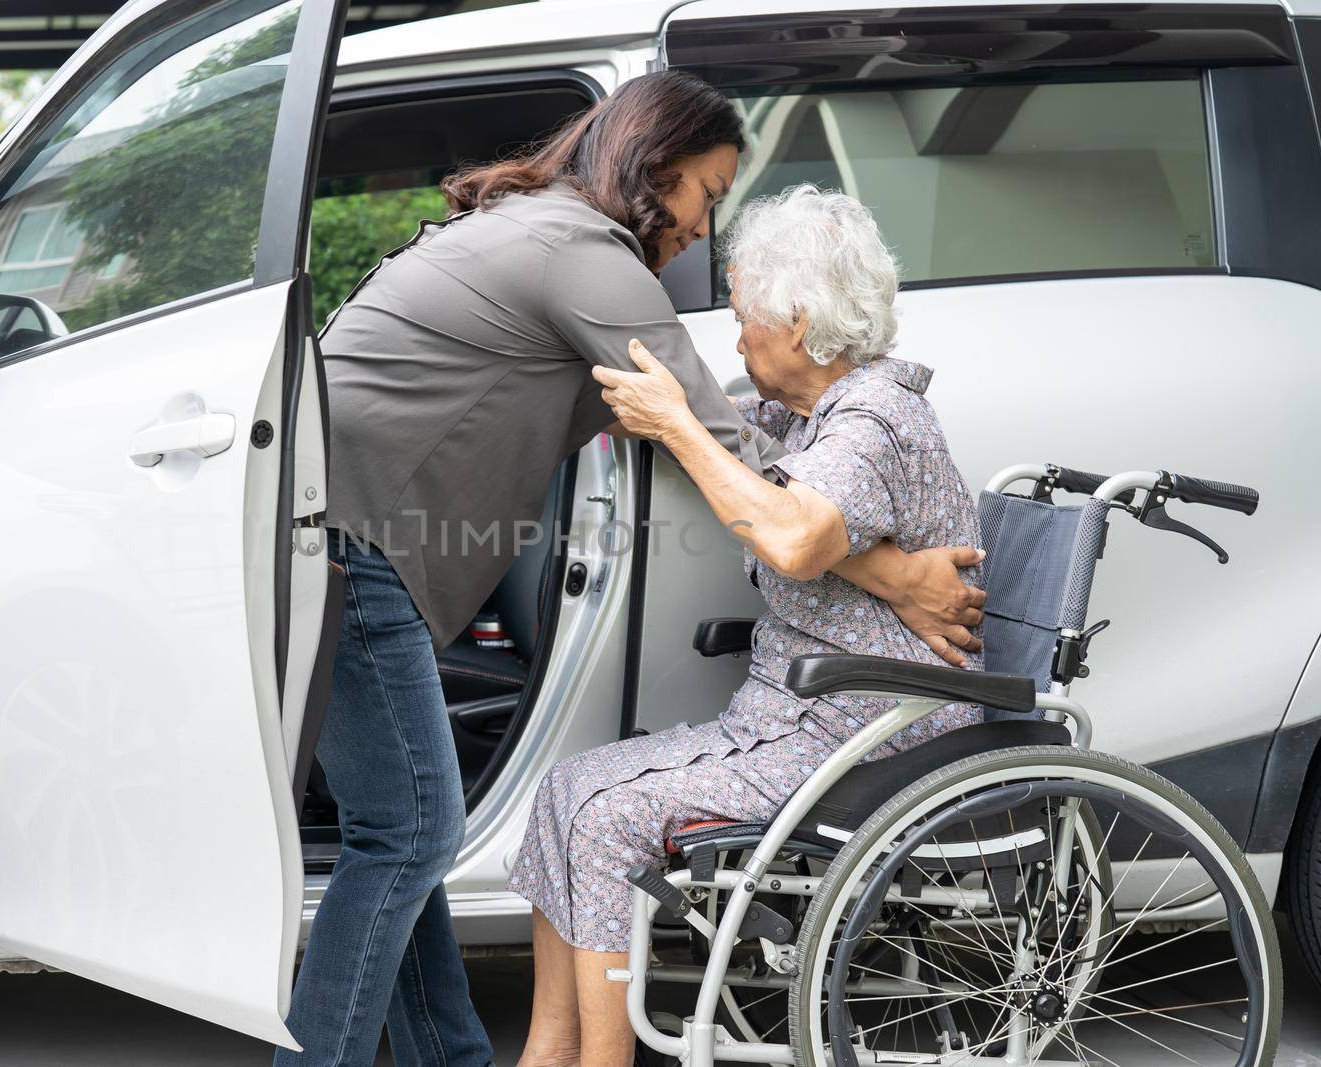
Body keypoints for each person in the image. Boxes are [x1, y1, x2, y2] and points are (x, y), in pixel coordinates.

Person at [285, 74, 986, 1065]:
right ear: (654, 171)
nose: (706, 224)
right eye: (707, 191)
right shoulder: (587, 256)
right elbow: (727, 454)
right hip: (358, 542)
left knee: (399, 831)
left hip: (329, 530)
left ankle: (452, 1057)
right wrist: (898, 578)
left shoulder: (533, 229)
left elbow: (754, 477)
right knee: (405, 834)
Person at [509, 184, 988, 1066]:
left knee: (606, 818)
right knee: (563, 789)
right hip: (800, 723)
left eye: (743, 319)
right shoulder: (807, 417)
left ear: (798, 322)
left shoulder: (875, 420)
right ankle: (552, 1045)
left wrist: (677, 427)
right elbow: (770, 489)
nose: (736, 339)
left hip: (866, 733)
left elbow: (797, 534)